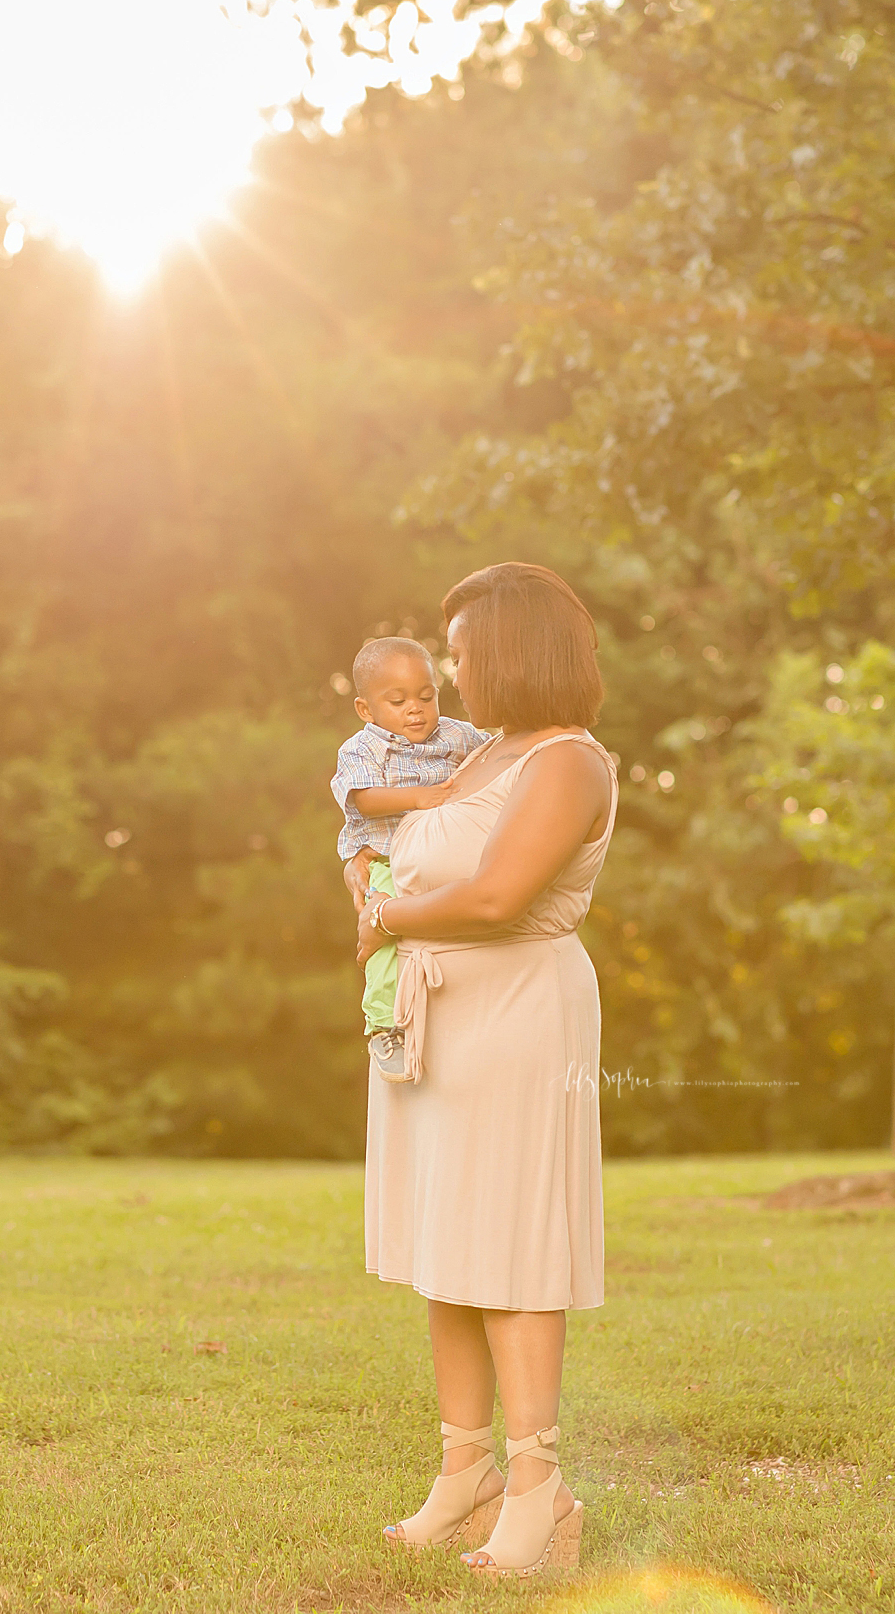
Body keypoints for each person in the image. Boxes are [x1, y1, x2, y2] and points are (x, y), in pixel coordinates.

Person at [354, 562, 617, 1579]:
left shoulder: (566, 761)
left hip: (515, 1014)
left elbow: (501, 893)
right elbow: (390, 848)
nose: (451, 669)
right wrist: (377, 913)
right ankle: (462, 1469)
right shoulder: (473, 756)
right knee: (447, 1246)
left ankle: (540, 1489)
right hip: (433, 1017)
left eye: (463, 650)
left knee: (507, 1244)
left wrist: (386, 914)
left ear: (513, 649)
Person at [330, 636, 489, 1082]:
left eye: (426, 696)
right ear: (366, 710)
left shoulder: (456, 735)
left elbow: (497, 754)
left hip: (446, 861)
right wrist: (419, 798)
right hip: (388, 861)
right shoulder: (361, 750)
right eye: (397, 701)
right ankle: (384, 1026)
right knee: (386, 941)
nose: (415, 710)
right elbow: (362, 799)